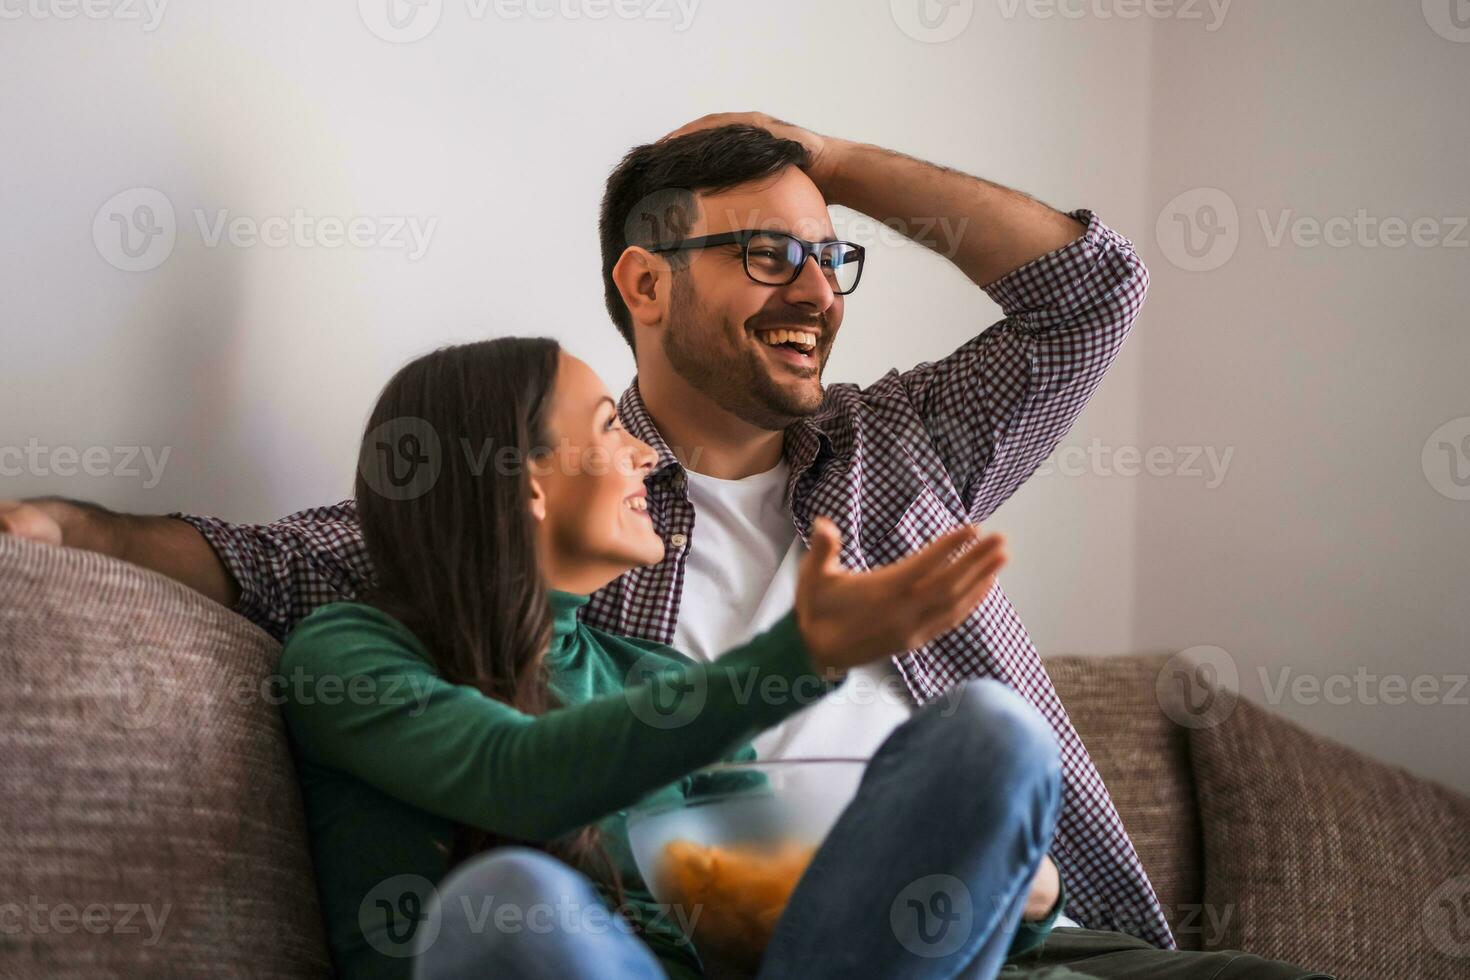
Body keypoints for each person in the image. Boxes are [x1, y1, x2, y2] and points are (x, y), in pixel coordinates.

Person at [1, 114, 1331, 977]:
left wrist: (828, 163)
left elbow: (1086, 299)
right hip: (704, 952)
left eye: (831, 257)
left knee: (994, 732)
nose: (815, 289)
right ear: (646, 283)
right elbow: (268, 563)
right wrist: (62, 527)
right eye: (767, 252)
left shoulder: (901, 447)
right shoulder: (513, 560)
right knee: (511, 907)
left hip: (997, 929)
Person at [286, 335, 1064, 979]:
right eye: (607, 429)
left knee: (994, 731)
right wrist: (797, 654)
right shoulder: (348, 655)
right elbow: (515, 774)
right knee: (504, 903)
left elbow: (769, 923)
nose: (648, 459)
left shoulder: (655, 681)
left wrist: (1006, 892)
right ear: (527, 483)